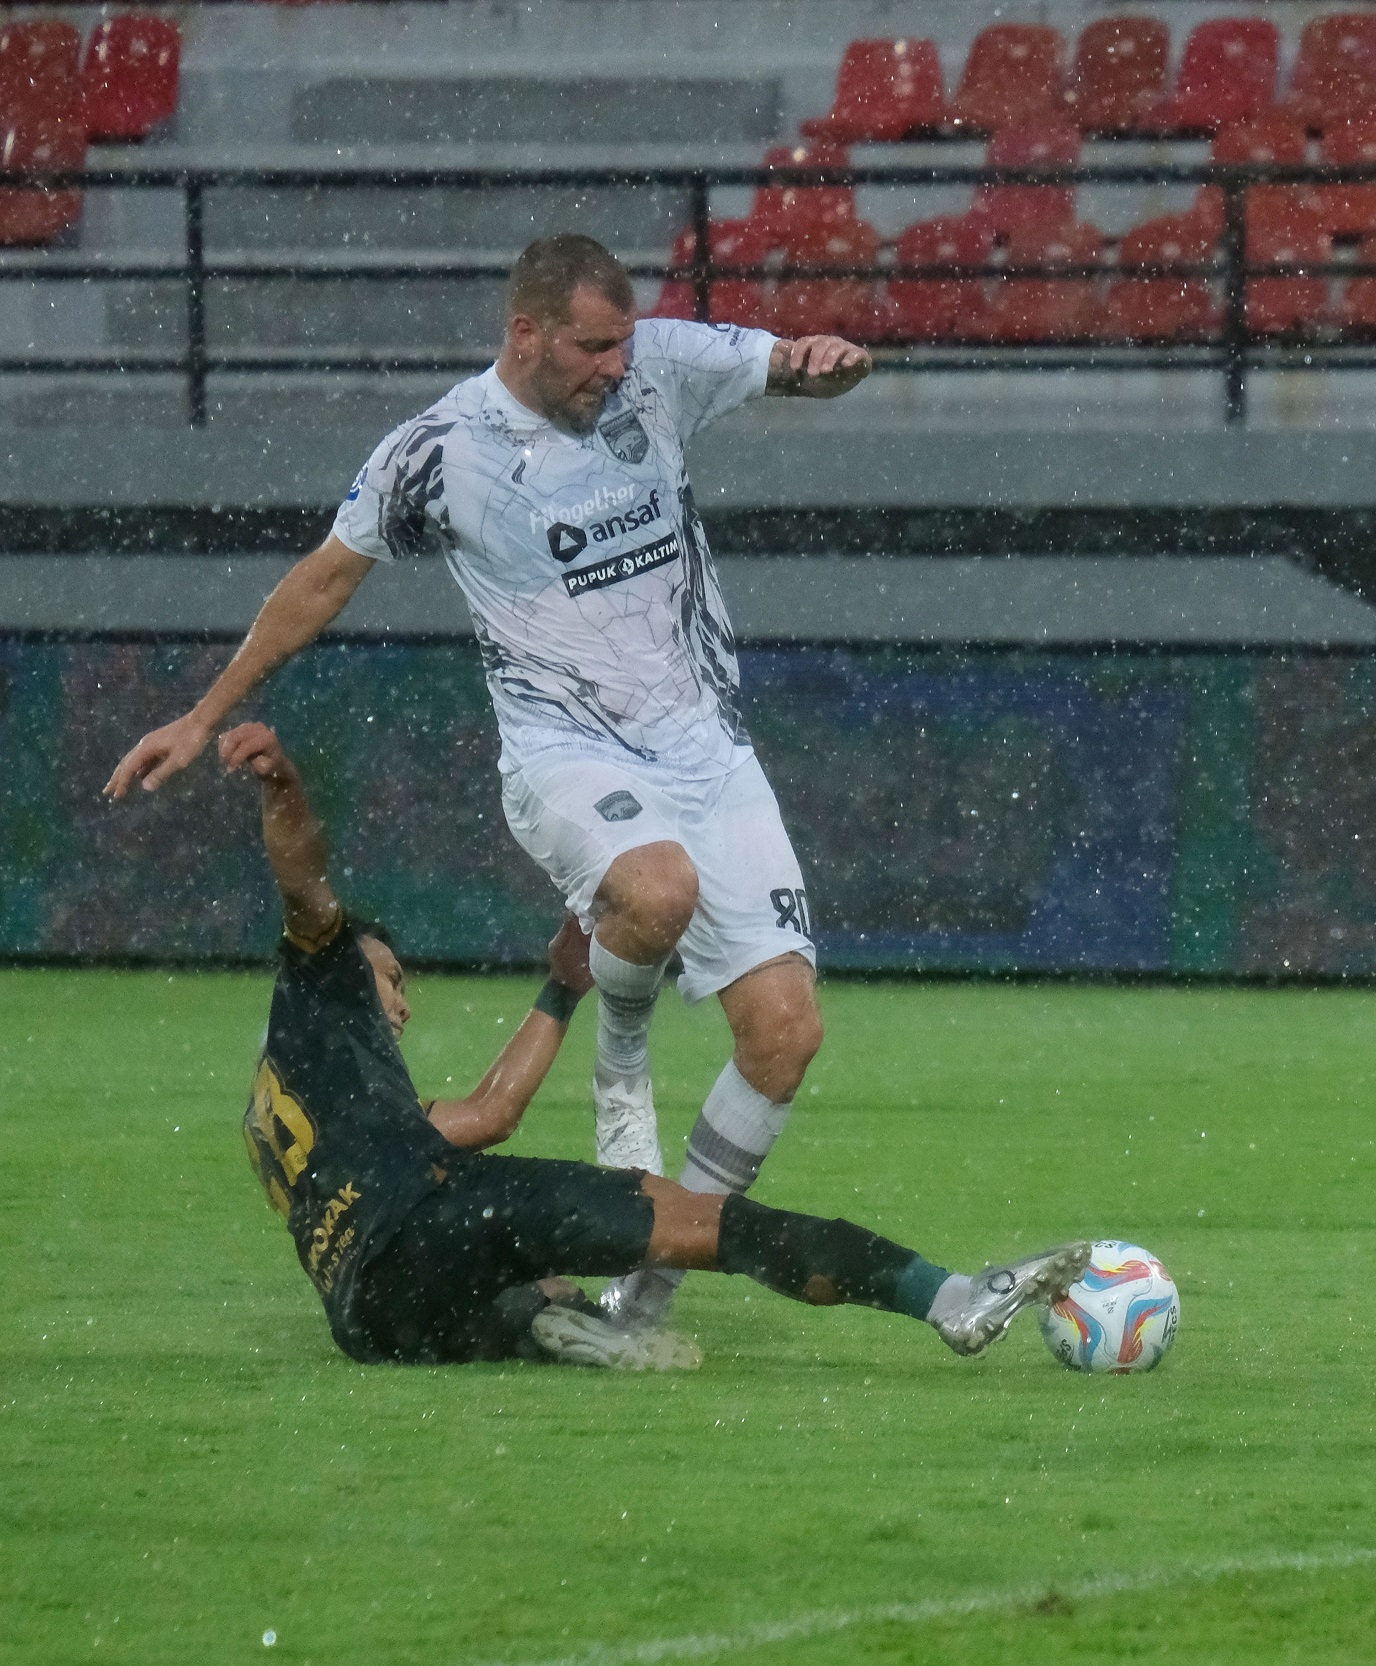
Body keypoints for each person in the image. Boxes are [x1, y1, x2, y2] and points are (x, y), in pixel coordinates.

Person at [108, 233, 874, 1332]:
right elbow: (324, 579)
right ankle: (621, 1055)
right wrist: (204, 712)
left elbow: (778, 362)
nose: (615, 365)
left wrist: (818, 365)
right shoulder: (440, 448)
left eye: (621, 343)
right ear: (525, 332)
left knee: (786, 1036)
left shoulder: (658, 364)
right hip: (567, 752)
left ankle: (646, 1296)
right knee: (657, 893)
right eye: (591, 346)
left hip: (708, 746)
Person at [223, 720, 1088, 1369]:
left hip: (365, 1317)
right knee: (719, 1230)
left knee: (522, 1293)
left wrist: (563, 984)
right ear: (345, 968)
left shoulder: (310, 1100)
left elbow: (488, 1113)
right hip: (435, 1217)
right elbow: (303, 879)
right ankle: (951, 1298)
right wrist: (284, 786)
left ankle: (546, 1326)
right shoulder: (319, 972)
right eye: (392, 978)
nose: (400, 1003)